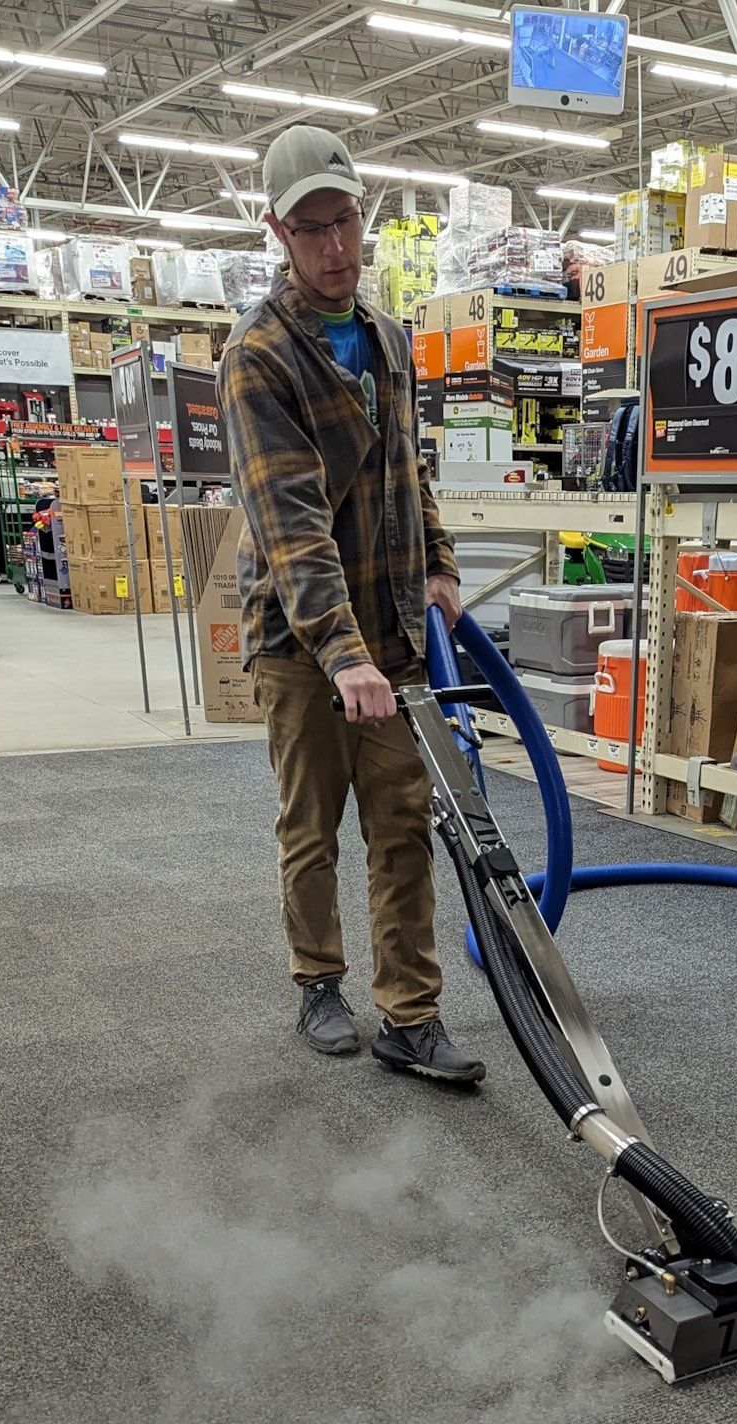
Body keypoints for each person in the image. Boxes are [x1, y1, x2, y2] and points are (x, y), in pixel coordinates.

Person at [217, 123, 485, 1086]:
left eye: (347, 222)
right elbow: (290, 524)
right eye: (312, 229)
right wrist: (343, 653)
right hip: (303, 641)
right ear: (277, 231)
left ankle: (411, 1014)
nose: (336, 247)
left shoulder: (387, 338)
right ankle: (317, 981)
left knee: (405, 823)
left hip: (392, 632)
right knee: (313, 823)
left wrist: (441, 565)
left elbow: (411, 473)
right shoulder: (257, 356)